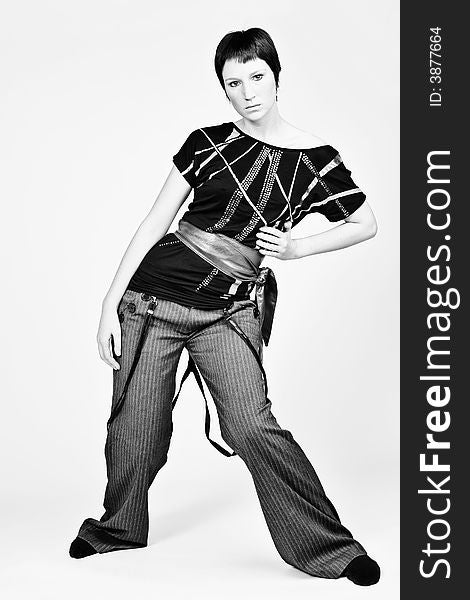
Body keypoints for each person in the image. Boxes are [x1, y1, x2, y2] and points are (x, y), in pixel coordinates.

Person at [69, 27, 380, 586]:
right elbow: (153, 223)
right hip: (152, 300)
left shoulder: (316, 159)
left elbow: (367, 223)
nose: (247, 93)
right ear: (224, 90)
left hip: (230, 311)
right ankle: (116, 528)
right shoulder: (206, 142)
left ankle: (330, 549)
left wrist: (296, 247)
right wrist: (106, 306)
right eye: (232, 83)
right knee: (135, 429)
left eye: (256, 77)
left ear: (277, 77)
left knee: (253, 426)